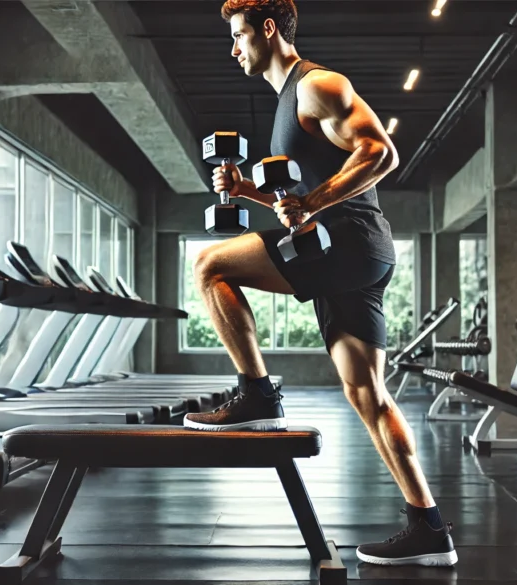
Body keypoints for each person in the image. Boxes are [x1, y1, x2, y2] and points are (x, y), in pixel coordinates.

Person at [182, 0, 457, 568]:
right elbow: (296, 207)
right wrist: (248, 191)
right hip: (352, 251)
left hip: (347, 241)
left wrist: (314, 201)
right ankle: (429, 526)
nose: (233, 49)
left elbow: (381, 152)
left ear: (268, 29)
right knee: (368, 396)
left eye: (238, 36)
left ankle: (257, 393)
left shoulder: (317, 85)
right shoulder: (288, 104)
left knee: (210, 265)